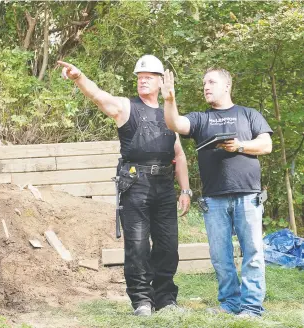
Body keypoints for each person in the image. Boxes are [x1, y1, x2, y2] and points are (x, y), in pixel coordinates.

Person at [58, 55, 191, 316]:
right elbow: (99, 96)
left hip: (165, 186)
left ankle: (165, 299)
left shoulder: (169, 113)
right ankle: (142, 300)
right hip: (136, 184)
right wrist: (79, 77)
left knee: (167, 245)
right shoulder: (125, 107)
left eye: (149, 77)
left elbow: (180, 154)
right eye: (140, 77)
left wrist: (184, 190)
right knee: (138, 245)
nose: (142, 80)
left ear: (161, 81)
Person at [161, 68, 273, 317]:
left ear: (227, 86)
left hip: (248, 195)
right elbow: (174, 123)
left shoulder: (249, 115)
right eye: (204, 83)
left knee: (253, 252)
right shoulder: (201, 119)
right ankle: (230, 303)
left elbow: (266, 145)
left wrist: (240, 145)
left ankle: (252, 307)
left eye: (211, 82)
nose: (206, 86)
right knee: (220, 256)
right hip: (213, 199)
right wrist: (169, 100)